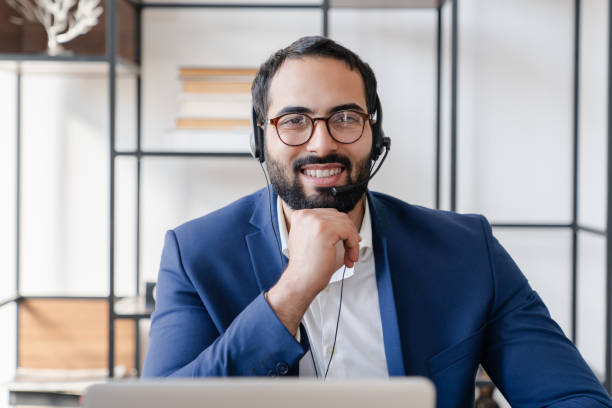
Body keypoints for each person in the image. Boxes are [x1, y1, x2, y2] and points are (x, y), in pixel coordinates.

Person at [142, 36, 612, 408]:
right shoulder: (194, 254)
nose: (321, 143)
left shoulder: (468, 252)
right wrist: (291, 293)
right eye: (294, 120)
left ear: (374, 132)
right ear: (260, 137)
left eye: (345, 117)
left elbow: (573, 398)